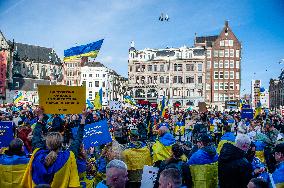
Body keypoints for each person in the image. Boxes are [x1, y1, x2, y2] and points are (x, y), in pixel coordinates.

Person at [21, 107, 87, 188]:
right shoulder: (69, 156)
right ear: (61, 143)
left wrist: (40, 118)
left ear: (46, 143)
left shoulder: (37, 154)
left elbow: (36, 136)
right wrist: (83, 118)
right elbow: (78, 139)